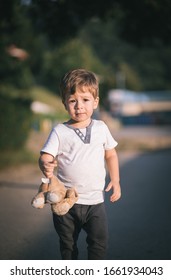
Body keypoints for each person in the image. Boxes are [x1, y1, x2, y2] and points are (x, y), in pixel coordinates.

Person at [38, 68, 121, 260]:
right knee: (68, 246)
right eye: (73, 100)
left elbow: (111, 154)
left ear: (96, 102)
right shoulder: (60, 131)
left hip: (95, 202)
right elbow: (45, 155)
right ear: (65, 103)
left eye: (85, 100)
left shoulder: (101, 128)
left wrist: (115, 180)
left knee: (99, 243)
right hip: (66, 202)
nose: (79, 106)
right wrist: (46, 163)